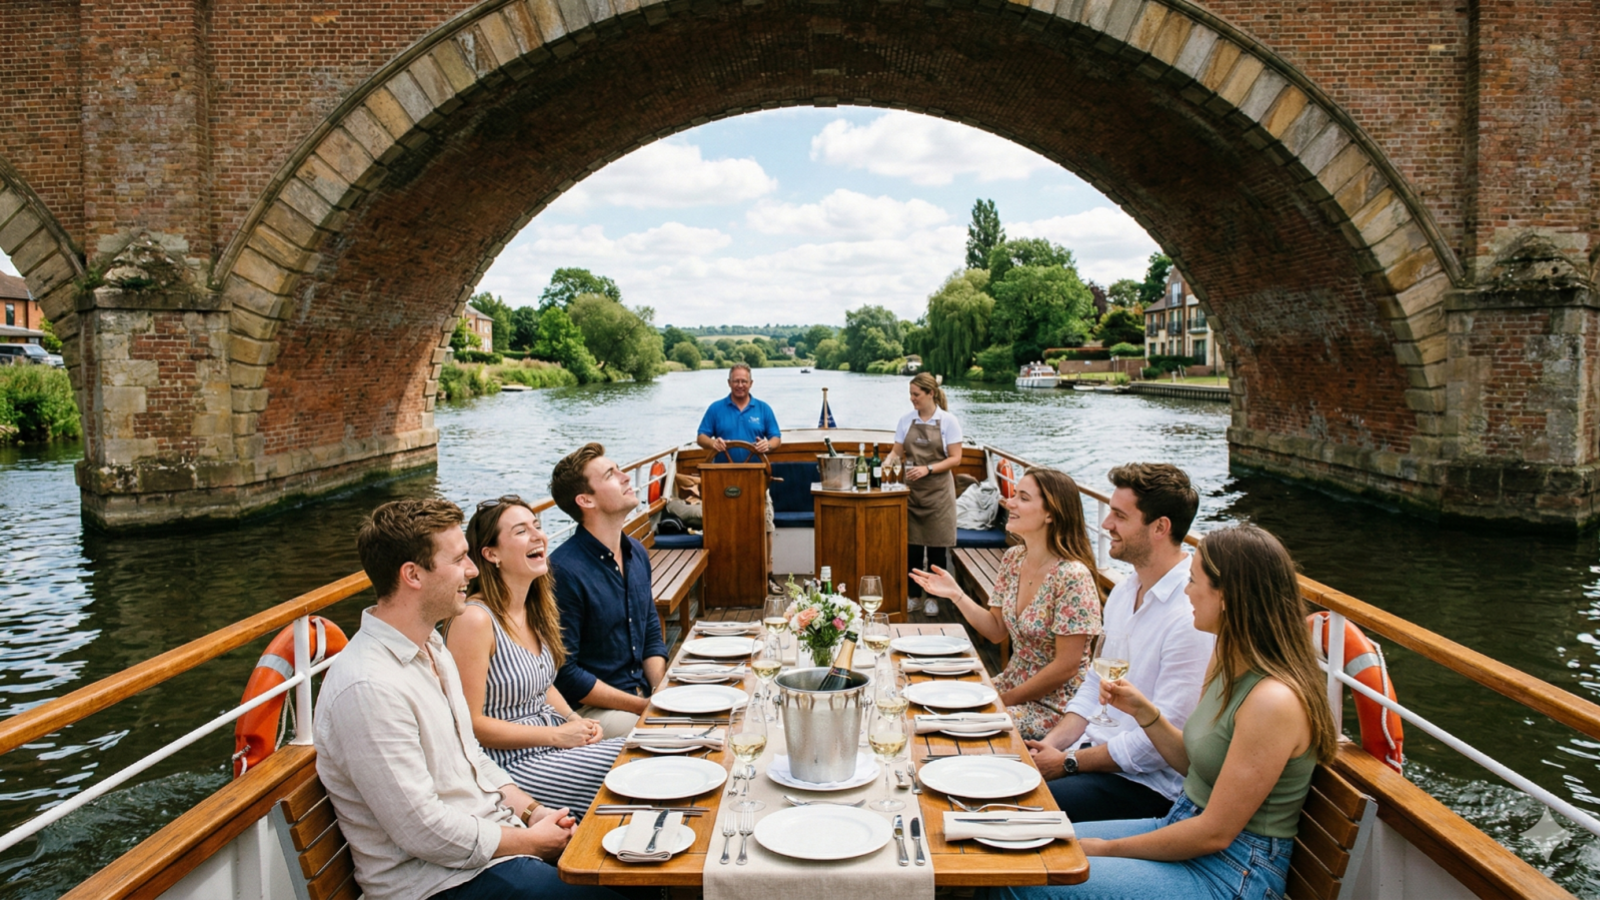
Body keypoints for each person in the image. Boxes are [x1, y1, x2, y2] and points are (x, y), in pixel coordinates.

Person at [984, 524, 1338, 900]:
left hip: (1232, 869)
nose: (1186, 591)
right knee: (1009, 851)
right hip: (1185, 824)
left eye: (1195, 582)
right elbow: (1194, 765)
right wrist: (1146, 714)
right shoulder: (1226, 660)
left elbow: (1215, 833)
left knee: (1026, 879)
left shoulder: (1273, 701)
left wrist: (1105, 849)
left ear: (1227, 598)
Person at [315, 498, 622, 900]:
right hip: (439, 884)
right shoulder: (369, 686)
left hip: (489, 854)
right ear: (413, 575)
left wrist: (535, 812)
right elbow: (422, 830)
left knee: (635, 869)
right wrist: (529, 842)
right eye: (459, 559)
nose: (473, 570)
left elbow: (472, 758)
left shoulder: (432, 649)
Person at [1027, 463, 1215, 823]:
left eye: (1119, 515)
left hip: (1143, 786)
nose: (1106, 524)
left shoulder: (1190, 616)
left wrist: (1067, 763)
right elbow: (1094, 683)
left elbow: (1161, 747)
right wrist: (1052, 744)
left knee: (1020, 807)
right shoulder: (1125, 591)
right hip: (1090, 758)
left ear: (1160, 527)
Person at [447, 495, 625, 817]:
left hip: (552, 743)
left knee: (648, 750)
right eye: (520, 531)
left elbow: (543, 684)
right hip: (512, 764)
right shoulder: (474, 620)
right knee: (634, 760)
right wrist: (556, 734)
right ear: (491, 554)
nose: (538, 536)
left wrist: (575, 721)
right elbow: (470, 724)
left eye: (538, 527)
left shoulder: (534, 608)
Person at [910, 468, 1104, 740]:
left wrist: (1002, 699)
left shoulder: (1072, 576)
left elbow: (1067, 666)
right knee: (931, 701)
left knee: (957, 726)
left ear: (1051, 513)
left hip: (1056, 706)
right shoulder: (1014, 558)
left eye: (1022, 498)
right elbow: (996, 630)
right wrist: (957, 595)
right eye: (1013, 496)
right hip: (1011, 685)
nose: (1009, 503)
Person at [548, 443, 668, 739]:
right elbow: (566, 675)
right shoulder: (563, 572)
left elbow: (650, 630)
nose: (626, 477)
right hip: (593, 711)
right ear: (586, 500)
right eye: (611, 475)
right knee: (675, 730)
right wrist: (644, 706)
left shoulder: (635, 553)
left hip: (640, 694)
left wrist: (662, 691)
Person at [890, 372, 963, 616]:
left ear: (931, 393)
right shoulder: (906, 420)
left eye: (916, 395)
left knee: (935, 550)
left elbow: (956, 458)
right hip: (911, 493)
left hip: (938, 494)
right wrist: (885, 463)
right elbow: (896, 451)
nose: (912, 399)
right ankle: (913, 596)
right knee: (910, 548)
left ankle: (933, 597)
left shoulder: (948, 421)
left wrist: (928, 468)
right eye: (910, 394)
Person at [696, 363, 782, 462]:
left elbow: (776, 438)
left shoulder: (764, 408)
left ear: (751, 383)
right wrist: (713, 443)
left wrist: (768, 445)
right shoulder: (715, 408)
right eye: (736, 381)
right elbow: (701, 437)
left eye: (744, 381)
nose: (740, 385)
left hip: (756, 473)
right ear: (729, 383)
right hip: (722, 473)